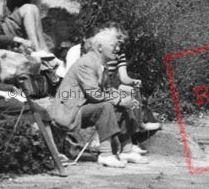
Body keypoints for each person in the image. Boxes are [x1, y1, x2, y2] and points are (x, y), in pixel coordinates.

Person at [48, 29, 146, 168]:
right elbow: (94, 94)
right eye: (114, 46)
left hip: (82, 106)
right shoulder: (87, 63)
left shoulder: (99, 64)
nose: (117, 49)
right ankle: (105, 155)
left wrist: (123, 98)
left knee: (122, 102)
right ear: (100, 47)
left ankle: (127, 150)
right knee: (106, 106)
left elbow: (105, 90)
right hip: (69, 112)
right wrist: (119, 100)